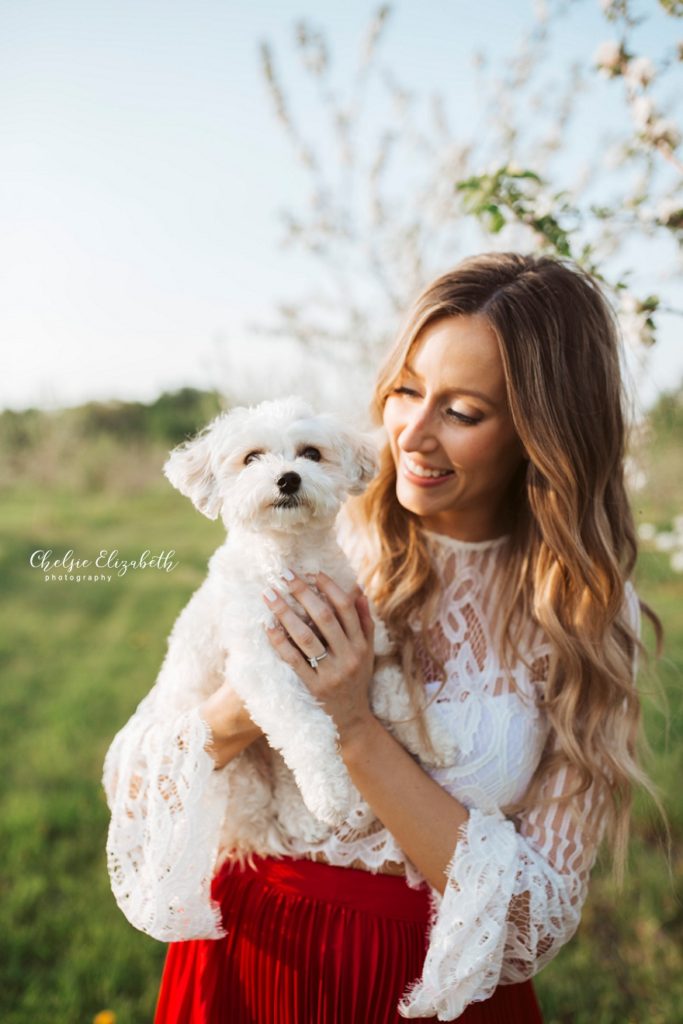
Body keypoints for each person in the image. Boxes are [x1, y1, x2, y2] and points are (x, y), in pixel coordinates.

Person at [102, 251, 662, 1023]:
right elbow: (137, 784)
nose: (411, 435)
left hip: (435, 984)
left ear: (543, 433)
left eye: (462, 413)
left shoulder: (584, 609)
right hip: (249, 953)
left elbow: (531, 918)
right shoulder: (307, 530)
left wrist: (355, 724)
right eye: (405, 390)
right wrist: (249, 702)